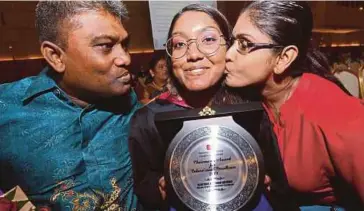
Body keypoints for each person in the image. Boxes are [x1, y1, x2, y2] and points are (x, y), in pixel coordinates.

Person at [128, 3, 273, 211]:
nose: (193, 54)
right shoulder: (148, 120)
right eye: (179, 44)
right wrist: (159, 188)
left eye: (209, 39)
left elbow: (280, 179)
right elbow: (142, 183)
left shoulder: (255, 109)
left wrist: (263, 180)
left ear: (229, 48)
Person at [0, 1, 142, 210]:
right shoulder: (7, 108)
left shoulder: (131, 105)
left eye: (125, 45)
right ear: (55, 56)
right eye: (106, 46)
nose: (125, 58)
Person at [225, 1, 364, 210]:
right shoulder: (253, 99)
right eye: (232, 41)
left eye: (245, 44)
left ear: (283, 58)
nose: (228, 54)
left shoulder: (335, 113)